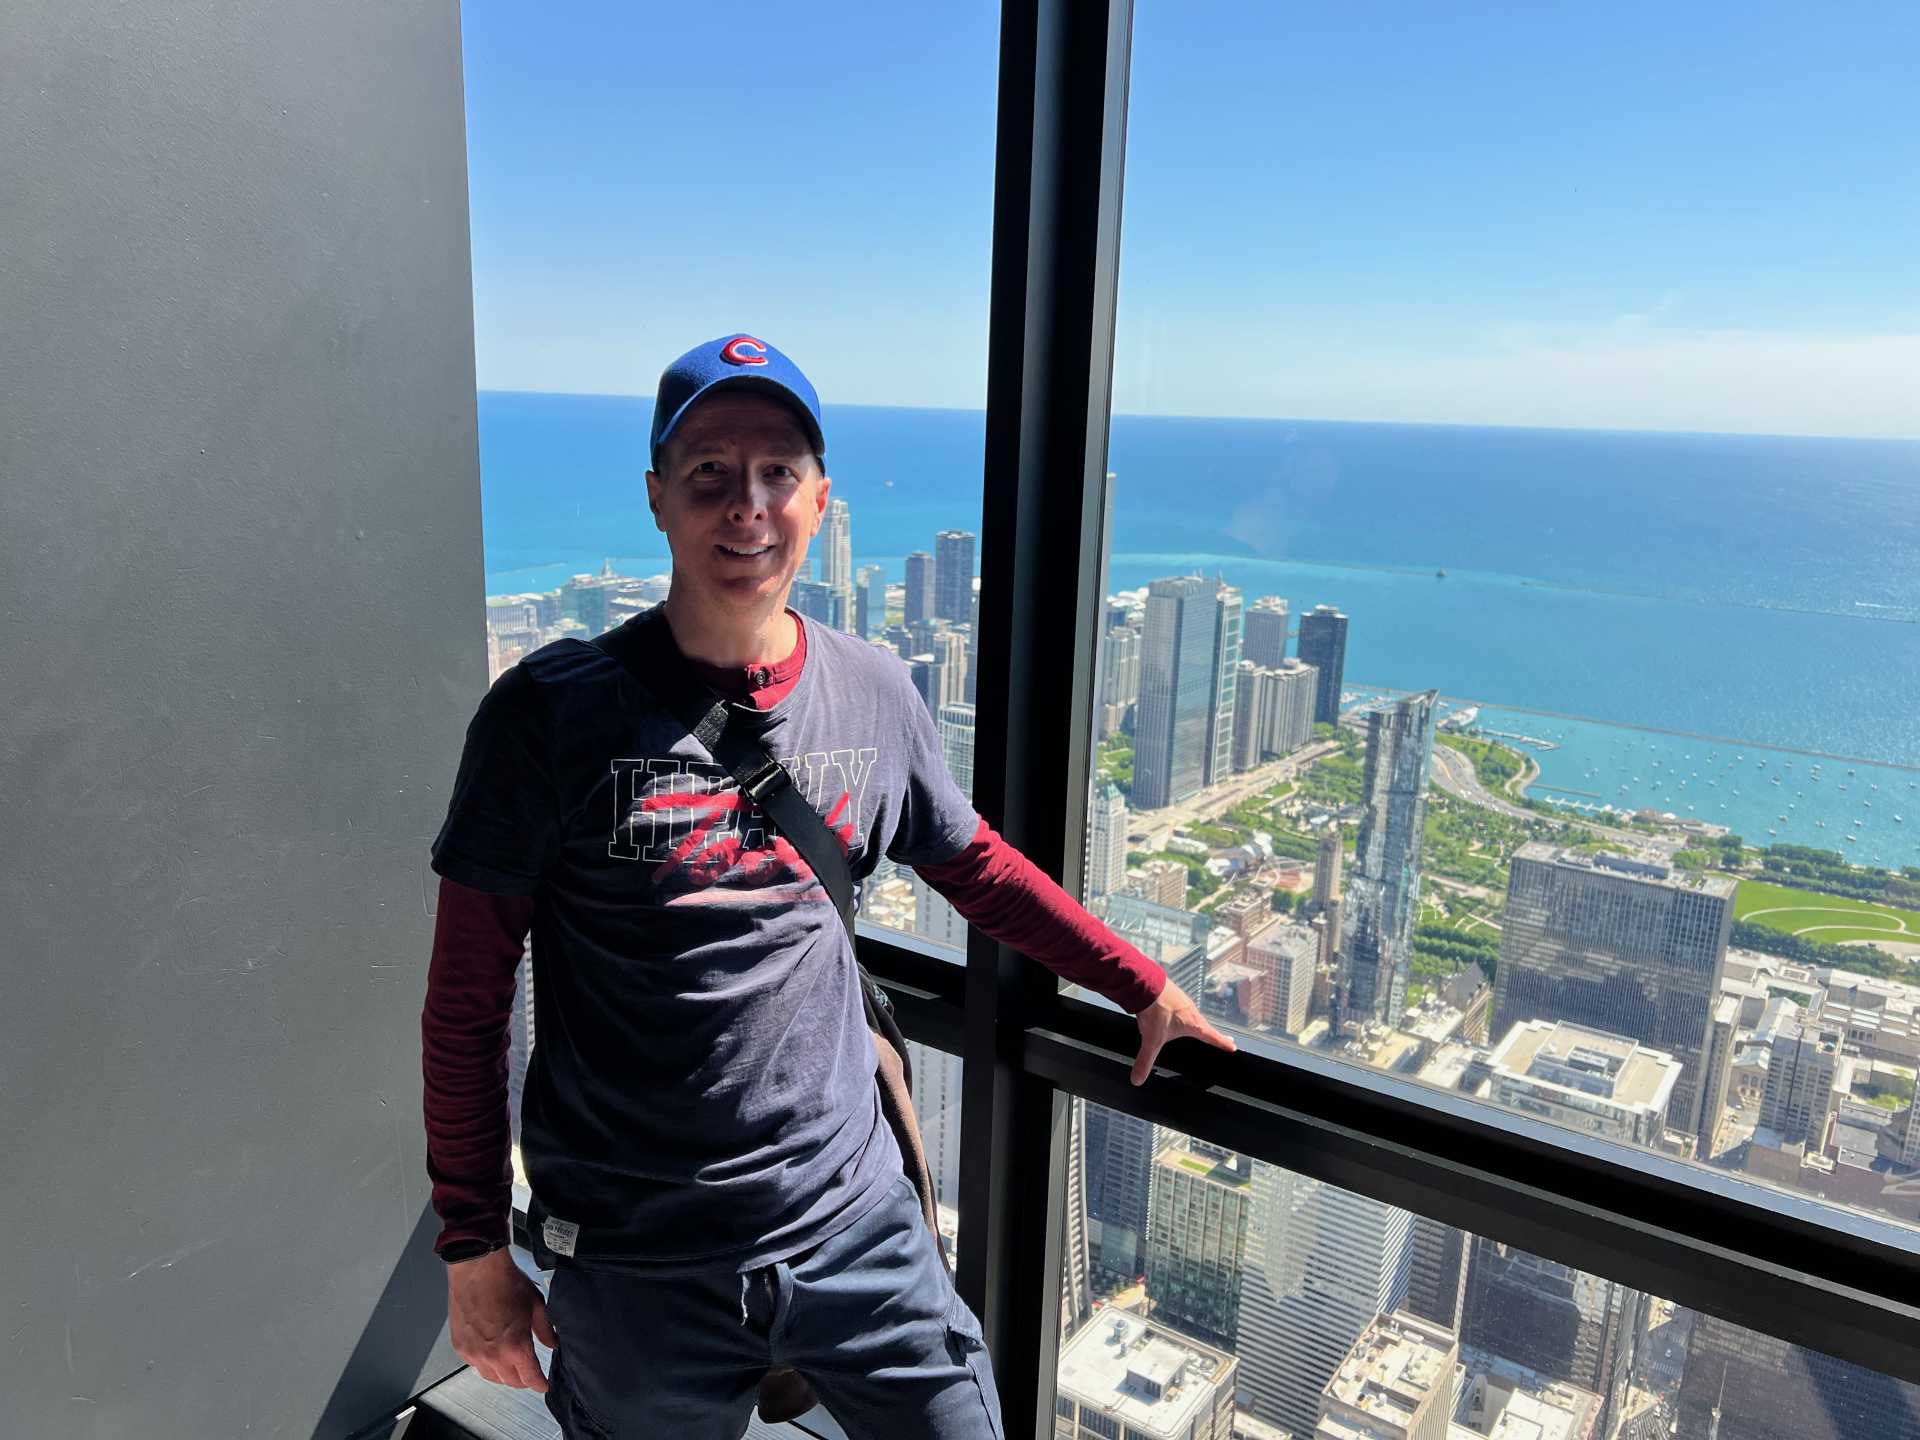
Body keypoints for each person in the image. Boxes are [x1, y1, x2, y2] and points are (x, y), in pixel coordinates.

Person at [421, 333, 1235, 1439]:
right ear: (657, 497)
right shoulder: (549, 714)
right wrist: (475, 1249)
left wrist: (1139, 982)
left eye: (778, 472)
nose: (746, 504)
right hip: (637, 1255)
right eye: (710, 471)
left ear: (819, 499)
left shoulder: (873, 690)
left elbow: (975, 865)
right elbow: (466, 1004)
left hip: (855, 1224)